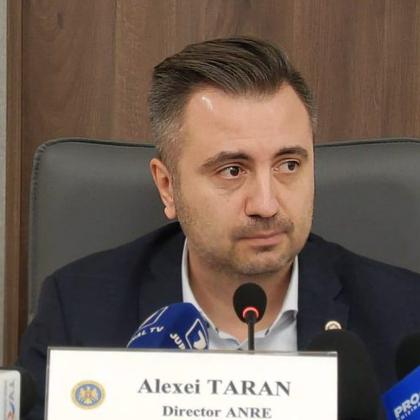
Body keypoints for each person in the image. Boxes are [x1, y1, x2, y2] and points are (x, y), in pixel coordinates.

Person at [17, 36, 420, 419]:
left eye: (289, 165)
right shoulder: (79, 311)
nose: (266, 204)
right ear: (168, 186)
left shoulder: (404, 314)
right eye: (232, 170)